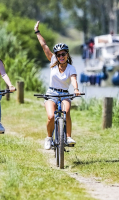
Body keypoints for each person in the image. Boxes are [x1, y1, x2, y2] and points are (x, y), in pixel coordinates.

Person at [34, 21, 81, 150]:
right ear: (56, 56)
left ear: (67, 55)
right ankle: (49, 138)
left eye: (63, 54)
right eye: (58, 54)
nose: (61, 56)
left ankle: (68, 136)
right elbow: (44, 45)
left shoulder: (71, 68)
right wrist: (37, 32)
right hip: (51, 93)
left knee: (66, 112)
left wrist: (76, 89)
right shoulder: (53, 61)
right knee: (51, 116)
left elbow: (73, 79)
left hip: (65, 94)